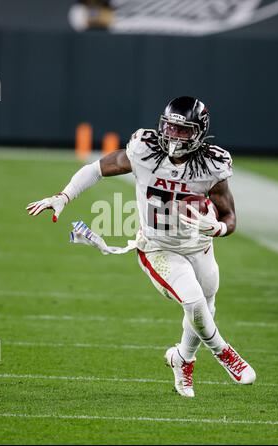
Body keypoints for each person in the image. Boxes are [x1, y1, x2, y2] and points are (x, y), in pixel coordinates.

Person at [26, 96, 256, 398]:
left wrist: (218, 228)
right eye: (170, 128)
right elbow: (96, 168)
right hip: (158, 247)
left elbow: (230, 217)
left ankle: (182, 359)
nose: (174, 137)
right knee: (194, 300)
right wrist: (64, 196)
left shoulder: (211, 164)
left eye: (183, 131)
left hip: (199, 246)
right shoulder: (145, 150)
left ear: (199, 133)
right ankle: (224, 353)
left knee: (205, 308)